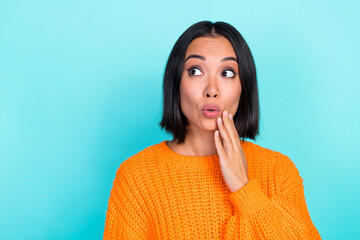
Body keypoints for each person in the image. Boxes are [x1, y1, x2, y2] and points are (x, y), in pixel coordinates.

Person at [103, 21, 322, 239]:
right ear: (176, 82)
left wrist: (243, 188)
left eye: (227, 73)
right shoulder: (137, 177)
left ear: (243, 87)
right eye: (196, 71)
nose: (212, 91)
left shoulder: (278, 172)